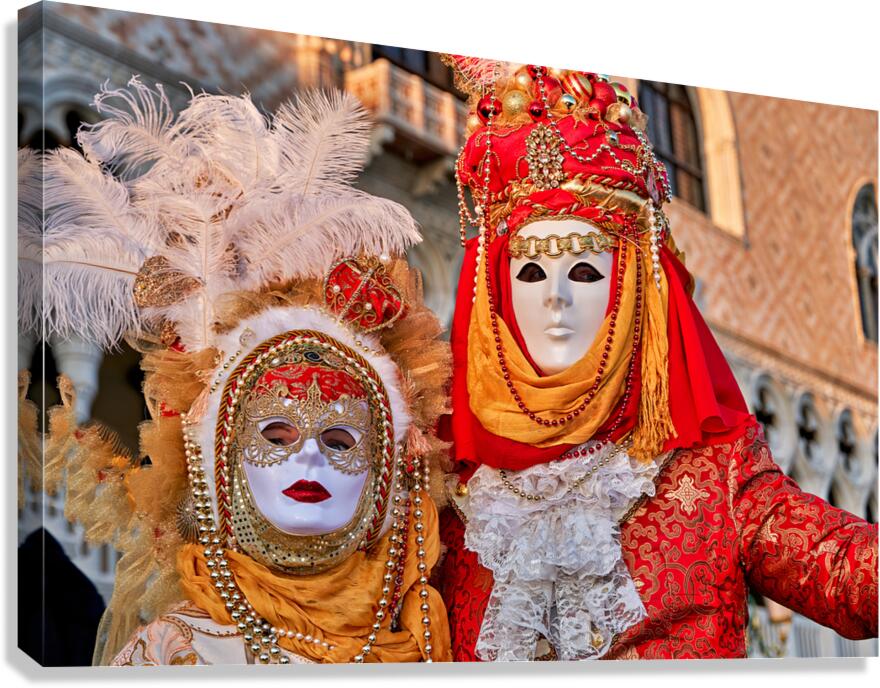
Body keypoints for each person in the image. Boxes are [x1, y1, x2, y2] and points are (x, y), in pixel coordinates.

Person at [435, 57, 879, 661]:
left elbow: (846, 571)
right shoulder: (445, 487)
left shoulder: (709, 473)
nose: (555, 298)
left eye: (586, 271)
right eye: (531, 271)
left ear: (637, 292)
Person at [23, 78, 451, 664]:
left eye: (340, 437)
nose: (309, 458)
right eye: (275, 434)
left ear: (385, 468)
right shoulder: (175, 655)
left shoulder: (427, 630)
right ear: (221, 461)